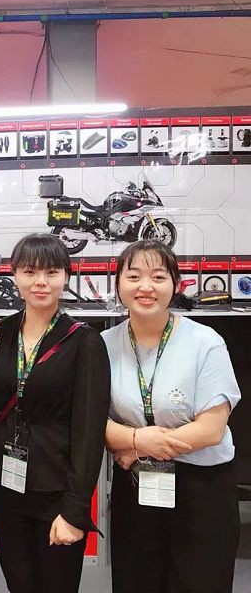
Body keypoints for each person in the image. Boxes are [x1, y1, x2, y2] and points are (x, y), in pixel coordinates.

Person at [103, 240, 241, 593]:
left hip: (202, 489)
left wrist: (137, 446)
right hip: (135, 488)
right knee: (137, 582)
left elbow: (211, 430)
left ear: (176, 285)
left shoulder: (205, 342)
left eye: (158, 277)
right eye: (133, 276)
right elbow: (92, 421)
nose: (145, 287)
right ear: (118, 284)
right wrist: (137, 441)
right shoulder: (101, 345)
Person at [0, 233, 111, 593]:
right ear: (15, 277)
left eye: (51, 272)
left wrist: (75, 509)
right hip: (5, 488)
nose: (41, 282)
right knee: (19, 584)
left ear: (66, 277)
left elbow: (89, 432)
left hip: (56, 491)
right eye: (30, 271)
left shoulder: (83, 340)